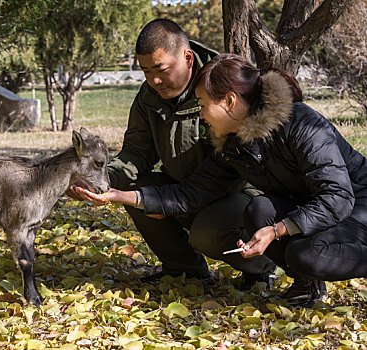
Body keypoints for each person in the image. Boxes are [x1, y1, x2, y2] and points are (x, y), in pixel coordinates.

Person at [76, 53, 367, 307]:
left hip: (357, 204)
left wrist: (279, 229)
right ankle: (307, 285)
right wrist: (121, 196)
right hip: (315, 207)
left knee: (305, 253)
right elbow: (190, 194)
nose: (201, 115)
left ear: (229, 100)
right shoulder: (232, 145)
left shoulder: (301, 122)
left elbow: (338, 197)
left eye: (203, 104)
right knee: (259, 210)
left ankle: (310, 269)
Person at [68, 19, 275, 288]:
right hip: (183, 190)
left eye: (160, 69)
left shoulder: (224, 87)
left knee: (206, 230)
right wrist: (99, 180)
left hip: (237, 193)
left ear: (188, 58)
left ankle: (262, 268)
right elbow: (137, 153)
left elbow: (226, 175)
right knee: (134, 187)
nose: (154, 80)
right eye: (144, 71)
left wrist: (162, 201)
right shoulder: (149, 95)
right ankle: (184, 270)